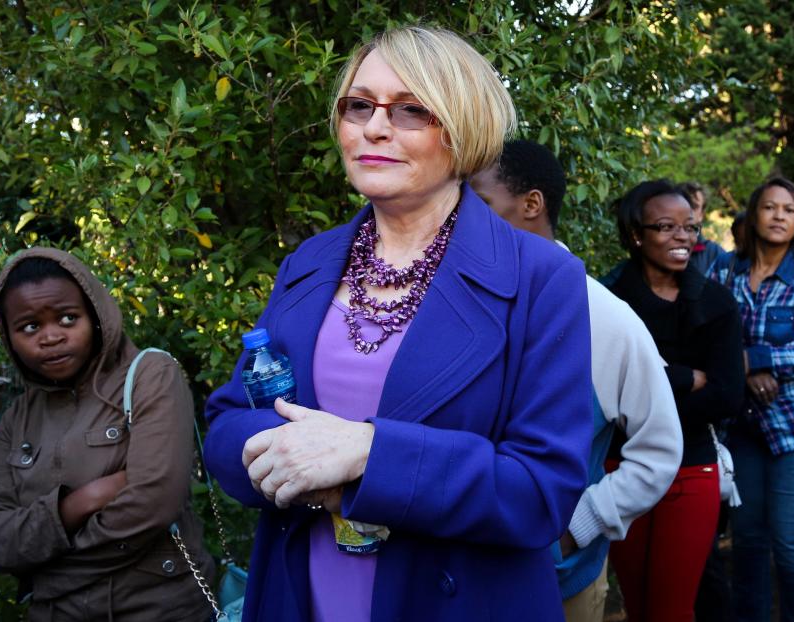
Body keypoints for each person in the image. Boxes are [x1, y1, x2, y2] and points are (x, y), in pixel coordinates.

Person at [202, 26, 593, 622]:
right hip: (301, 596)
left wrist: (367, 456)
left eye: (411, 110)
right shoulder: (308, 263)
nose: (374, 127)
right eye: (359, 105)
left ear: (462, 128)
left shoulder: (540, 278)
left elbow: (542, 492)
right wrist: (294, 460)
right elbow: (228, 422)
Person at [471, 140, 683, 622]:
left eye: (479, 204)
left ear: (531, 205)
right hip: (459, 581)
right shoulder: (459, 304)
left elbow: (660, 449)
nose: (459, 219)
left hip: (559, 584)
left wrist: (574, 527)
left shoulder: (605, 319)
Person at [0, 248, 212, 621]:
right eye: (30, 327)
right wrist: (79, 503)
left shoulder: (150, 375)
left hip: (157, 610)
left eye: (68, 318)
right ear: (9, 334)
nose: (50, 337)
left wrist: (47, 574)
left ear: (96, 316)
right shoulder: (17, 418)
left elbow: (153, 505)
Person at [596, 180, 744, 622]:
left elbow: (727, 395)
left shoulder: (715, 301)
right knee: (638, 604)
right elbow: (601, 389)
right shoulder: (609, 300)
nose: (682, 236)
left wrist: (644, 396)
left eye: (690, 227)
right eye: (666, 226)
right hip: (618, 470)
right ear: (636, 234)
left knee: (674, 608)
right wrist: (682, 378)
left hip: (692, 466)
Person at [709, 177, 794, 622]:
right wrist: (743, 367)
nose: (779, 215)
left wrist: (758, 359)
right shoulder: (724, 271)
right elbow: (707, 337)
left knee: (793, 546)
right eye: (770, 207)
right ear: (754, 213)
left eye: (790, 209)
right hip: (742, 426)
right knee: (747, 541)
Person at [678, 181, 723, 273]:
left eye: (694, 206)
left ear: (701, 214)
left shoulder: (716, 254)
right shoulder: (660, 246)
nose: (688, 209)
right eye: (683, 203)